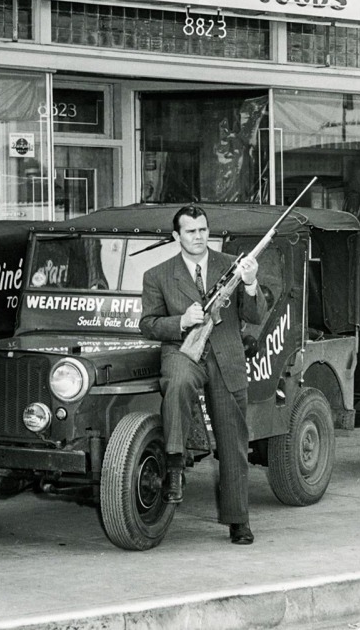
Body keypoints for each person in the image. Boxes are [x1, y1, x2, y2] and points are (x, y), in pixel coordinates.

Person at [138, 204, 266, 545]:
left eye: (203, 230)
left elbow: (255, 315)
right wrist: (181, 321)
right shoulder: (158, 275)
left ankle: (238, 520)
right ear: (176, 236)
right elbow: (147, 325)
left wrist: (250, 283)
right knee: (178, 383)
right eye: (190, 231)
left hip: (226, 356)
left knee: (233, 440)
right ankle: (174, 464)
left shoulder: (232, 266)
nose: (198, 236)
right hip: (183, 351)